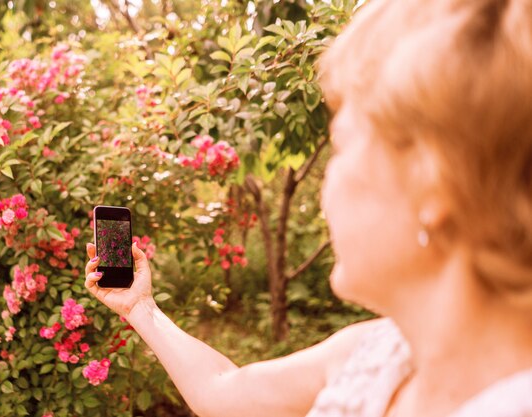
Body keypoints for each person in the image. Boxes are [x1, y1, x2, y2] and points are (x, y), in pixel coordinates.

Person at [85, 0, 532, 415]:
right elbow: (224, 390)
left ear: (433, 182)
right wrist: (140, 307)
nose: (327, 186)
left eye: (343, 146)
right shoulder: (376, 353)